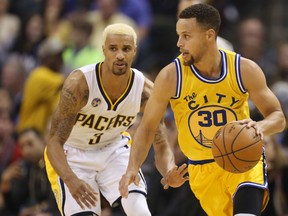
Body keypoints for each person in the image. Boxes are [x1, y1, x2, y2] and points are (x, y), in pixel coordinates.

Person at [119, 3, 286, 216]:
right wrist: (133, 168)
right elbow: (148, 127)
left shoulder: (244, 69)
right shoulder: (171, 76)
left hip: (243, 161)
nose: (179, 43)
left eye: (186, 36)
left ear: (209, 35)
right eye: (179, 35)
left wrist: (260, 126)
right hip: (202, 169)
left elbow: (278, 117)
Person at [44, 23, 184, 216]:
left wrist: (169, 170)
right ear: (104, 51)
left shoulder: (145, 91)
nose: (119, 55)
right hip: (73, 153)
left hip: (114, 150)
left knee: (140, 212)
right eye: (113, 49)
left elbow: (161, 143)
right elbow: (53, 143)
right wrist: (70, 178)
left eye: (126, 49)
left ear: (134, 51)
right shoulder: (80, 85)